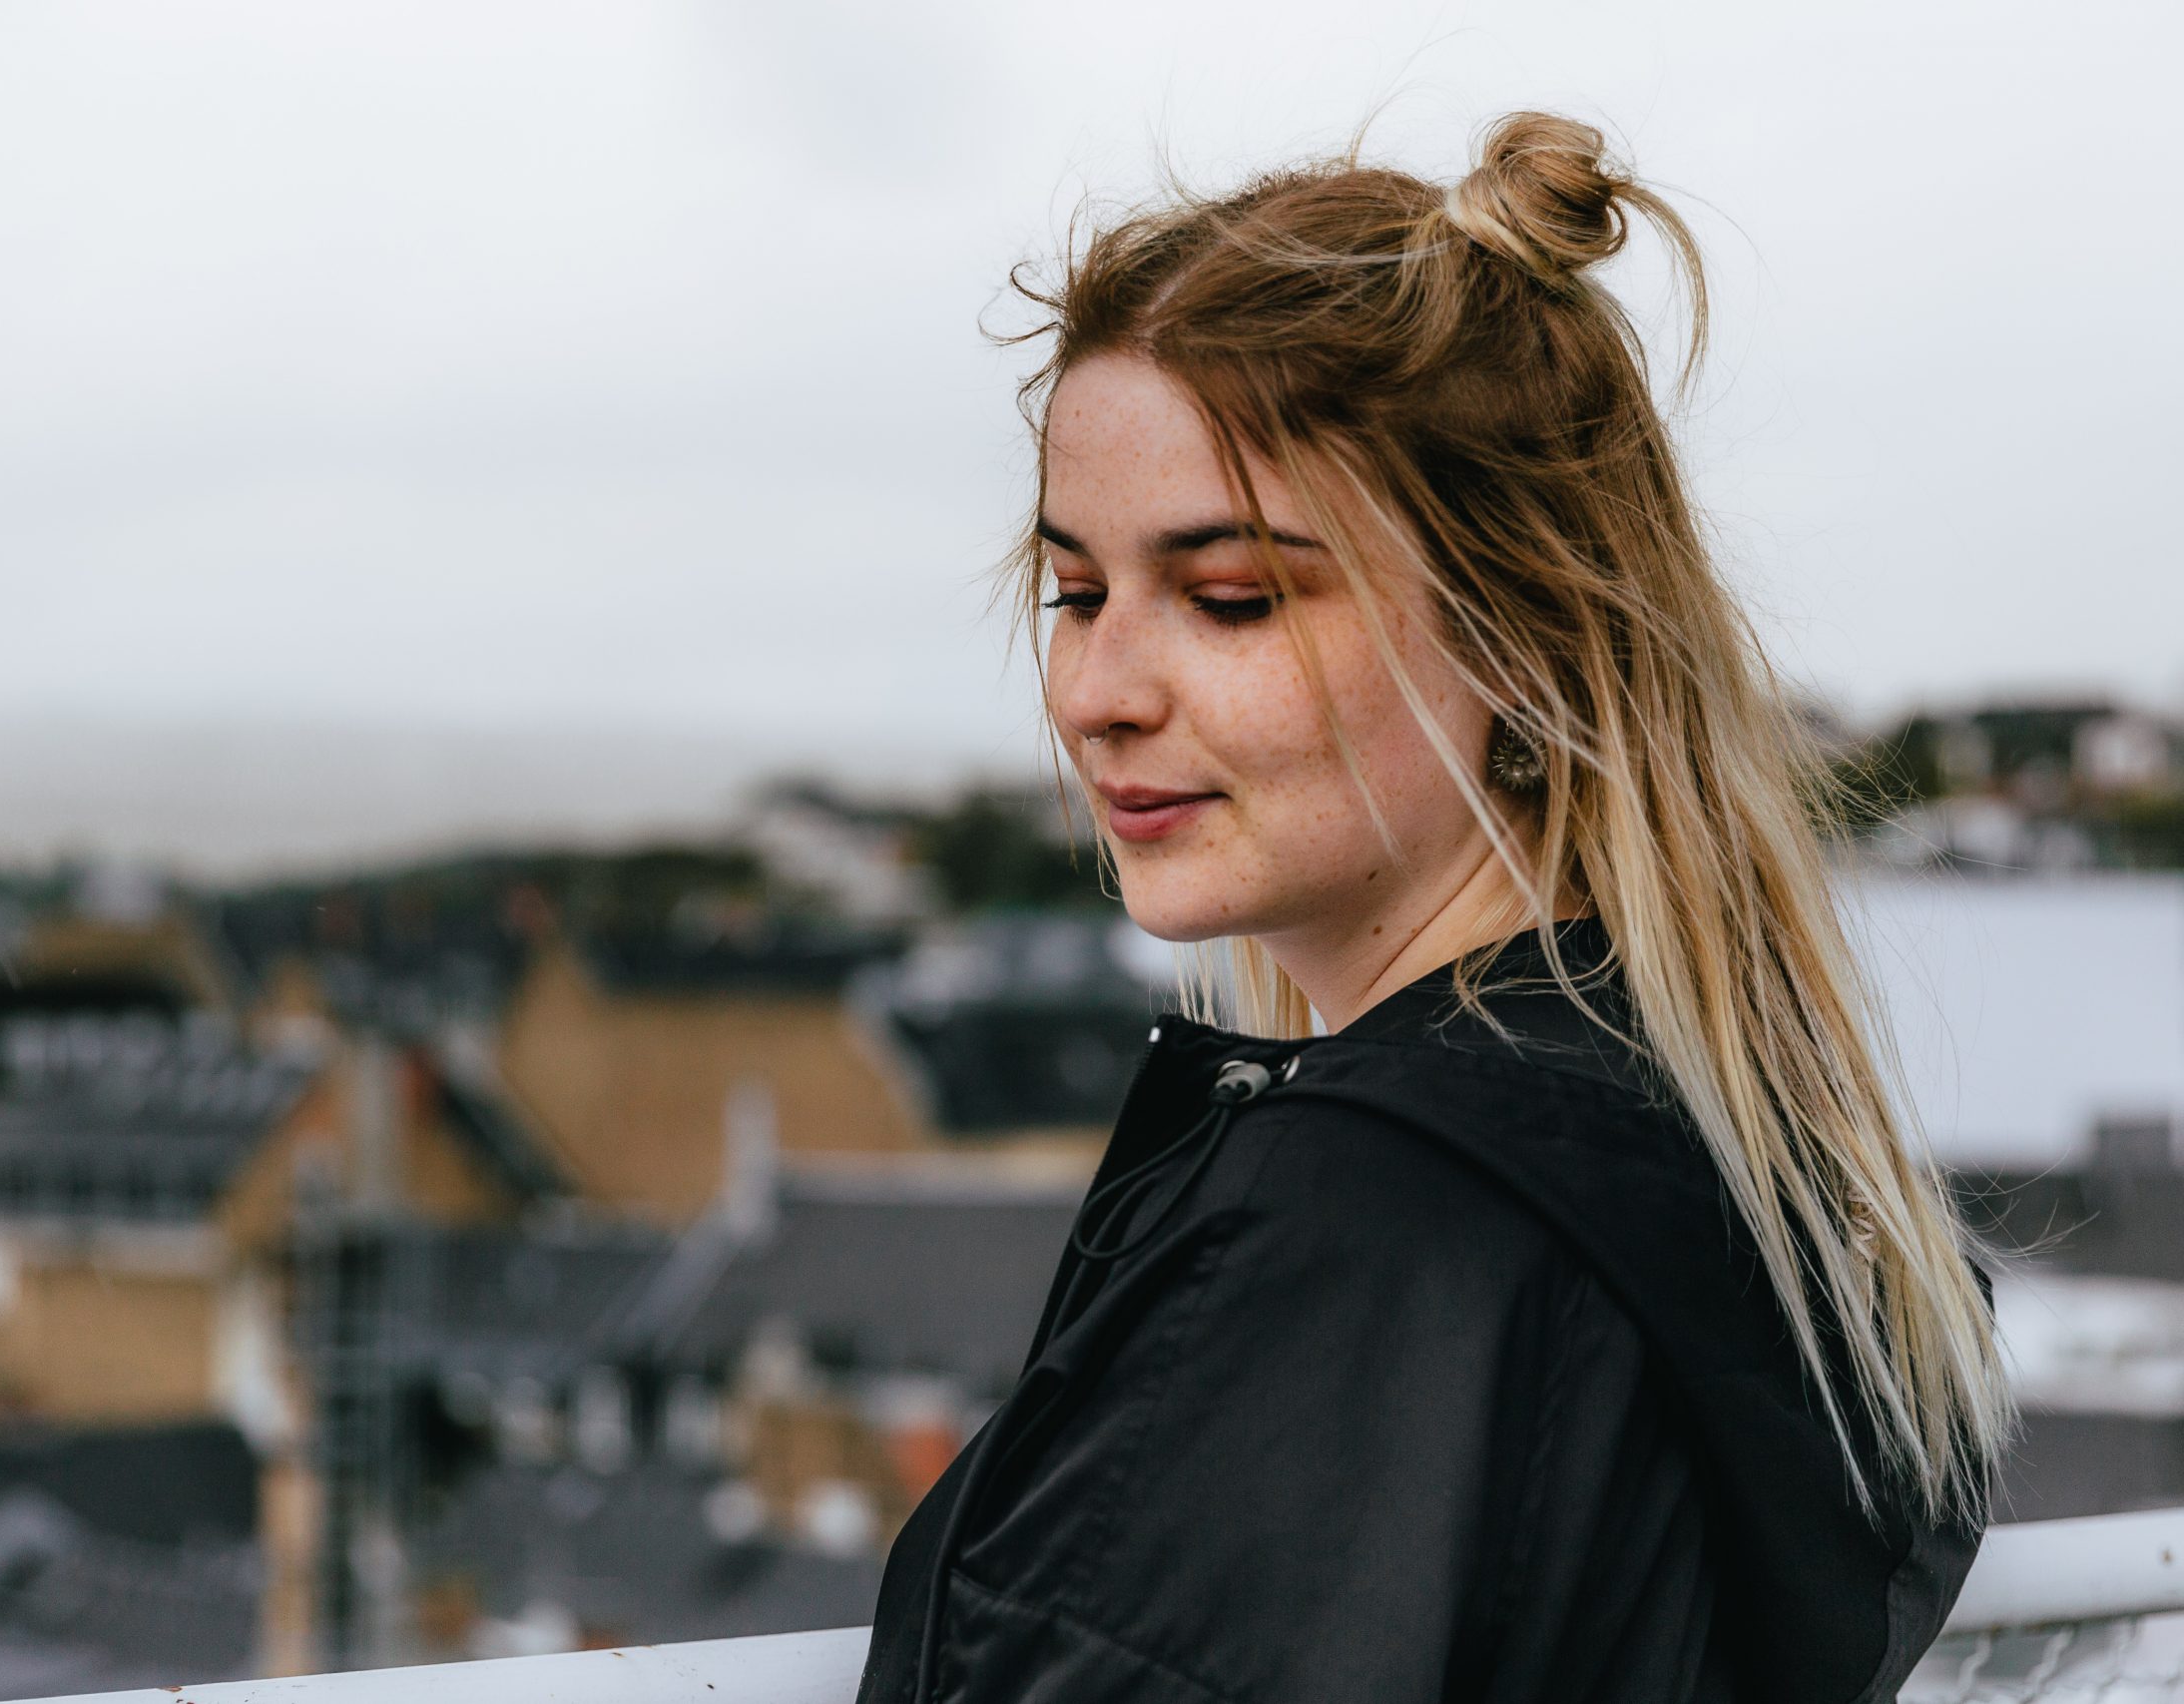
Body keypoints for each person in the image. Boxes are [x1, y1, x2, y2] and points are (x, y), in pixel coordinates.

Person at [852, 111, 2009, 1704]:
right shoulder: (1739, 1170)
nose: (1097, 691)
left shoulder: (1368, 1226)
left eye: (1232, 596)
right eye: (1077, 590)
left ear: (1524, 633)